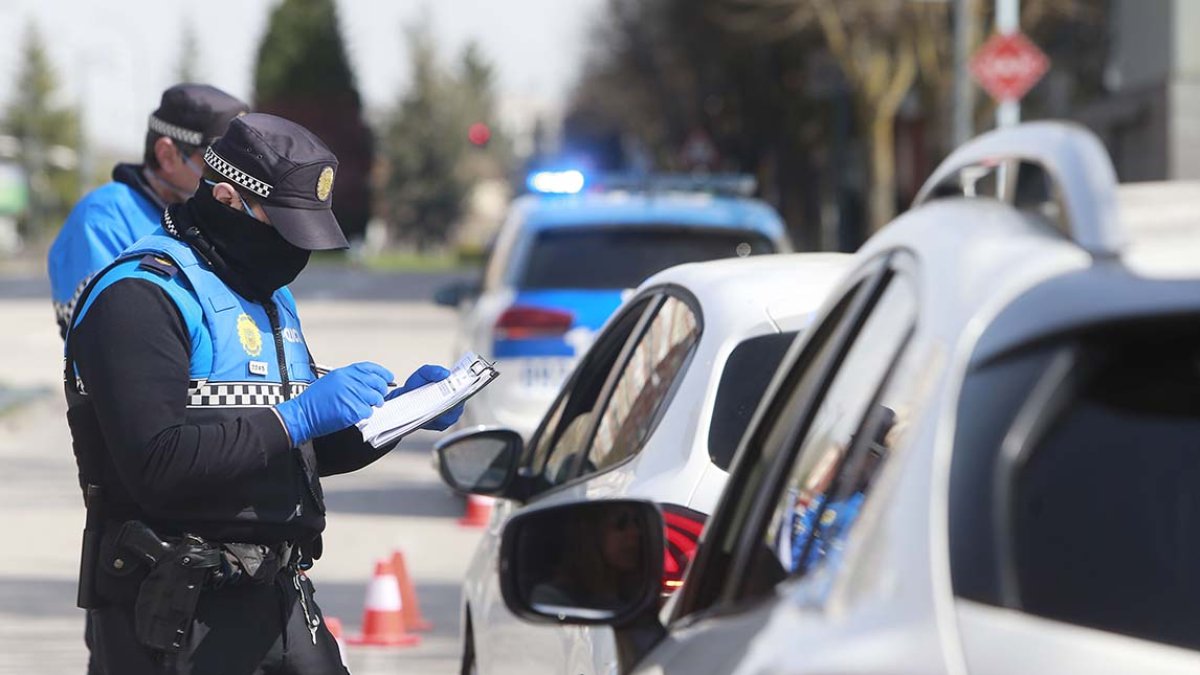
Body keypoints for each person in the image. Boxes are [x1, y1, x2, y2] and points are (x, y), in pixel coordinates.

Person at [63, 113, 464, 674]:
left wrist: (400, 415)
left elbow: (293, 450)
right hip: (174, 616)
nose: (294, 251)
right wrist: (297, 417)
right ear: (228, 198)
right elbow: (157, 464)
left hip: (277, 596)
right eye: (284, 227)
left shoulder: (263, 296)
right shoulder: (142, 295)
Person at [48, 83, 248, 338]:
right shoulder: (103, 218)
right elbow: (108, 333)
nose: (229, 176)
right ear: (166, 154)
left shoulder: (208, 215)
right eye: (215, 160)